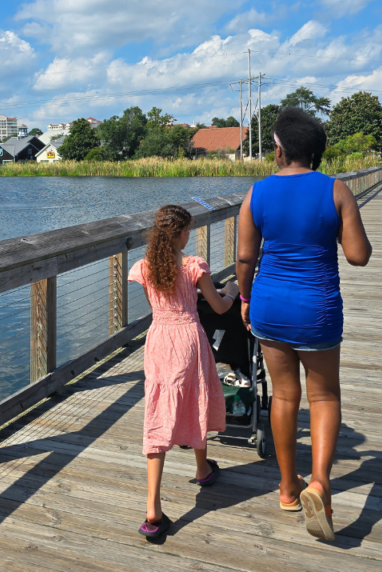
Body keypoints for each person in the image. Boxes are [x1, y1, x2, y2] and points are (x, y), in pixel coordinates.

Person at [236, 107, 372, 541]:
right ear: (317, 151)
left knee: (284, 395)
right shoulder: (336, 190)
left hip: (270, 305)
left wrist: (244, 297)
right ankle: (320, 483)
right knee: (325, 394)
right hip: (316, 307)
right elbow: (358, 255)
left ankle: (287, 487)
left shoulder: (255, 194)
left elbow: (244, 258)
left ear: (278, 150)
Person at [128, 204, 238, 540]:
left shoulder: (145, 267)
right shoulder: (194, 266)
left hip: (159, 339)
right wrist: (231, 291)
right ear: (179, 234)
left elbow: (158, 305)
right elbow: (217, 306)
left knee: (159, 412)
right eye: (188, 230)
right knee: (197, 398)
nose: (190, 236)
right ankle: (202, 467)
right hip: (189, 338)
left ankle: (153, 507)